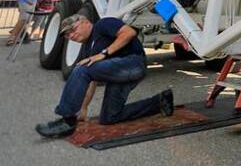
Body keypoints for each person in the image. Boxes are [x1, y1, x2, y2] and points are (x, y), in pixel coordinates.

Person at [34, 14, 173, 138]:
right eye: (67, 35)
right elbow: (91, 81)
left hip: (133, 63)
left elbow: (129, 32)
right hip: (118, 74)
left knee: (81, 69)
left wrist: (103, 54)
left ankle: (67, 120)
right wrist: (84, 108)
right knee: (109, 117)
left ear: (86, 22)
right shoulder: (88, 50)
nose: (71, 35)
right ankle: (160, 101)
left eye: (73, 29)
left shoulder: (103, 24)